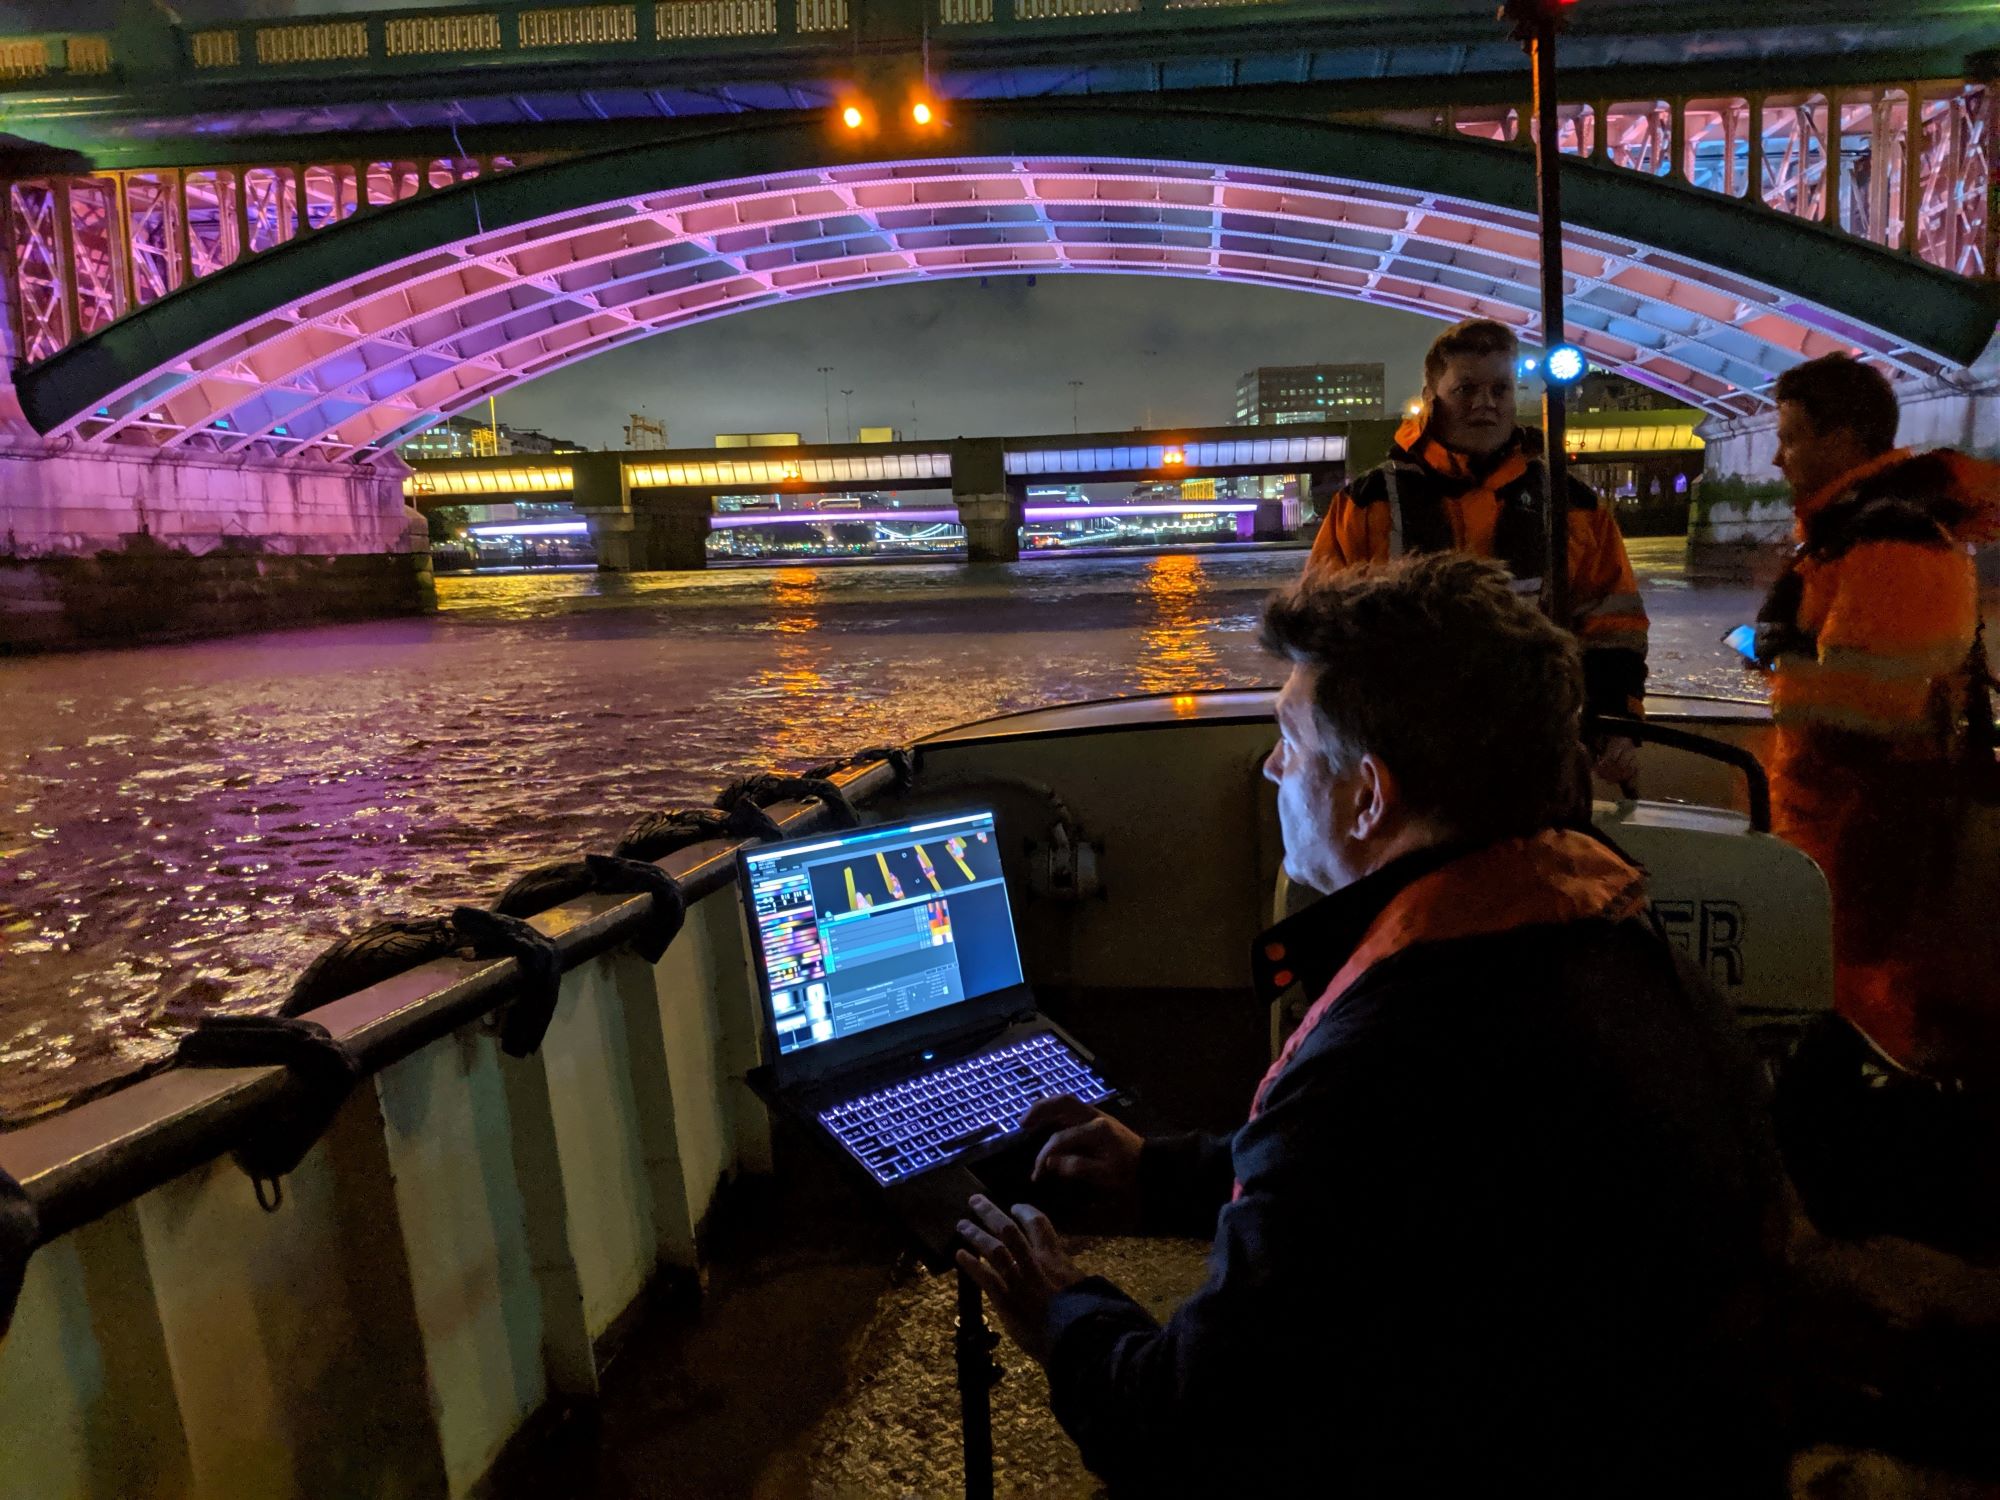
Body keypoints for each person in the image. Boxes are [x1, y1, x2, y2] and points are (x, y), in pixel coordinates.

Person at [956, 555, 1784, 1497]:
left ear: (1370, 794)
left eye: (1291, 741)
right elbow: (1397, 1191)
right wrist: (1159, 1172)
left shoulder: (1389, 1057)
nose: (1273, 767)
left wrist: (1060, 1308)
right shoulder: (1613, 941)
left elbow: (1186, 1431)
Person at [1752, 353, 2000, 1079]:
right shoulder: (1860, 534)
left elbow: (1868, 712)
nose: (1776, 455)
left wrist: (1782, 661)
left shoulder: (1890, 542)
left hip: (1863, 822)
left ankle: (1873, 1117)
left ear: (1847, 439)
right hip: (1843, 817)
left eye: (1792, 436)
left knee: (1863, 993)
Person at [1308, 317, 1649, 783]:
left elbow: (1614, 626)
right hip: (1402, 755)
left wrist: (1617, 721)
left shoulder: (1575, 508)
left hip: (1535, 748)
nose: (1485, 404)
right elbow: (1321, 630)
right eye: (1466, 389)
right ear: (1431, 399)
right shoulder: (1367, 504)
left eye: (1500, 390)